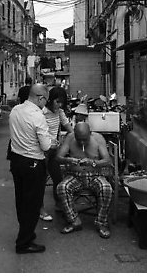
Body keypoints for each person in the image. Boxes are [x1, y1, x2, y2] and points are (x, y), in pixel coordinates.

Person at [8, 84, 52, 254]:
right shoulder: (37, 116)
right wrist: (49, 140)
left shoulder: (15, 110)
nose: (44, 104)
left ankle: (25, 234)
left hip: (16, 161)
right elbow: (46, 145)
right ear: (40, 98)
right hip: (33, 163)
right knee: (33, 204)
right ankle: (24, 243)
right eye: (45, 100)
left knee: (21, 200)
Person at [55, 122, 113, 238]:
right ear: (74, 134)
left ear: (90, 134)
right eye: (79, 139)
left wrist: (93, 162)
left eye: (85, 139)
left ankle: (101, 222)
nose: (82, 142)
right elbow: (58, 157)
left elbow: (107, 160)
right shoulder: (70, 138)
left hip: (95, 175)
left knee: (106, 188)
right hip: (75, 175)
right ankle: (74, 220)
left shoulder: (98, 139)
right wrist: (69, 160)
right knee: (62, 188)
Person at [40, 86, 73, 221]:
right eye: (57, 101)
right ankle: (40, 209)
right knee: (41, 181)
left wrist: (80, 135)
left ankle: (59, 203)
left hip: (54, 151)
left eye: (61, 103)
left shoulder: (59, 111)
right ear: (50, 99)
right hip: (43, 151)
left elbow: (67, 125)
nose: (59, 105)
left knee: (58, 178)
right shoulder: (43, 112)